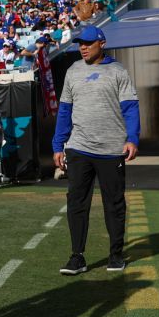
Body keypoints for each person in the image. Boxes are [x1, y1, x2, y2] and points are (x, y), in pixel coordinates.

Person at [52, 25, 140, 275]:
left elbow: (131, 108)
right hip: (79, 147)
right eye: (80, 43)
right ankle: (77, 257)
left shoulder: (118, 71)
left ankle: (115, 255)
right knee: (76, 202)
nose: (83, 47)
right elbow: (65, 111)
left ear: (101, 43)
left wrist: (132, 139)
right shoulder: (73, 71)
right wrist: (58, 145)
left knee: (114, 203)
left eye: (88, 43)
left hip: (112, 149)